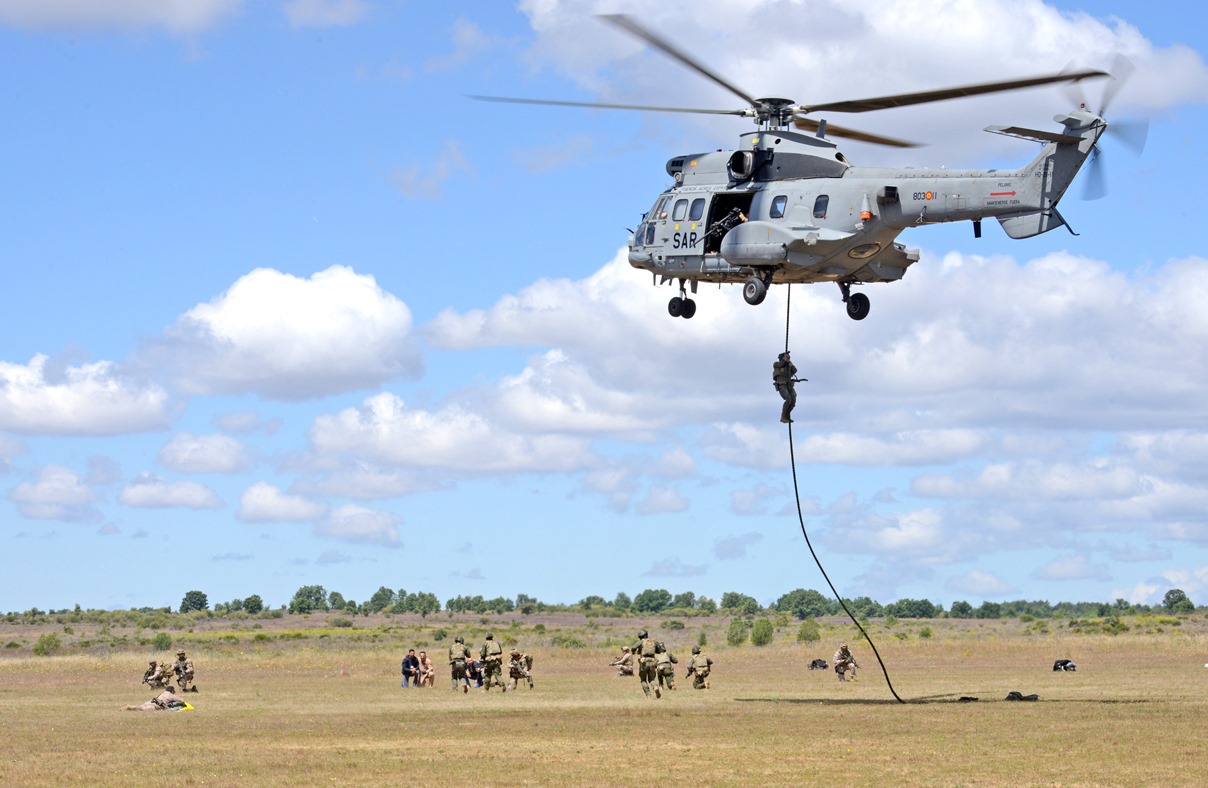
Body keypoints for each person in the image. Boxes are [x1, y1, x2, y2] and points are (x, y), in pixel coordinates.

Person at [630, 629, 660, 698]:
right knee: (652, 679)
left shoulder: (641, 642)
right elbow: (660, 650)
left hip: (644, 662)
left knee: (643, 679)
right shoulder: (654, 641)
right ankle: (655, 687)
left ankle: (648, 695)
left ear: (640, 636)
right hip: (652, 661)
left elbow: (633, 647)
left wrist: (633, 652)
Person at [773, 351, 799, 424]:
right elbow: (780, 364)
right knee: (788, 399)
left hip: (789, 385)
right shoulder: (776, 364)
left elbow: (795, 371)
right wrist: (784, 359)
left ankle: (787, 415)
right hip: (782, 385)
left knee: (793, 400)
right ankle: (783, 417)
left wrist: (791, 365)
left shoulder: (788, 367)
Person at [123, 686, 191, 712]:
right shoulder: (171, 695)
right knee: (141, 710)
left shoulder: (162, 693)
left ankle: (129, 707)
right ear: (172, 691)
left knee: (140, 707)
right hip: (155, 706)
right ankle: (129, 707)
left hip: (150, 702)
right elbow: (182, 700)